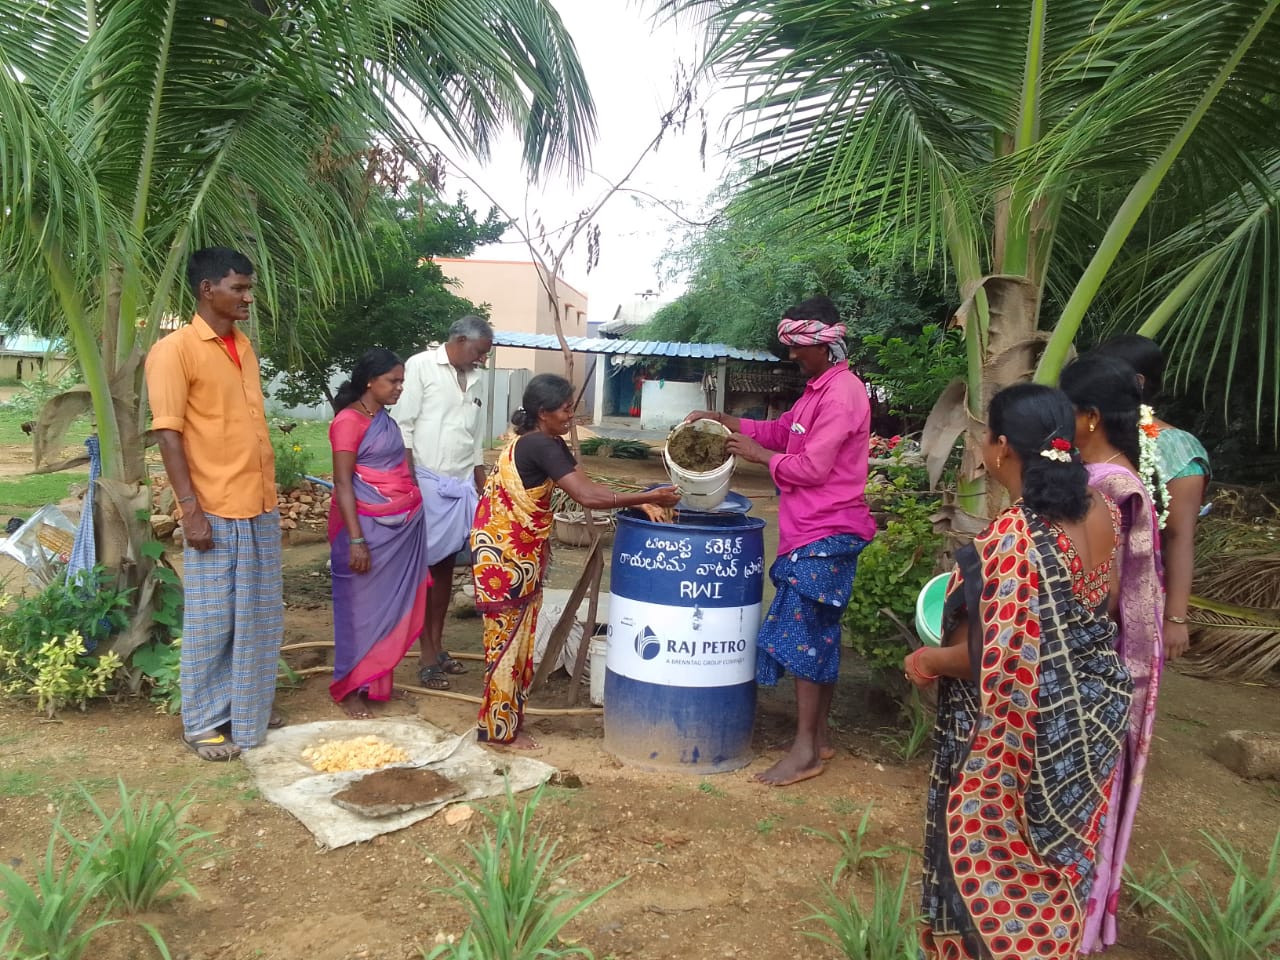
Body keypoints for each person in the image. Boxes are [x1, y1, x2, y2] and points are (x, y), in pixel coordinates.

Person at [904, 383, 1133, 960]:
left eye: (986, 435)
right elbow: (1096, 609)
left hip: (1021, 741)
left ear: (1002, 447)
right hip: (1086, 725)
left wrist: (928, 659)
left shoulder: (1013, 539)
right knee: (1057, 868)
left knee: (998, 866)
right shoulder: (1101, 510)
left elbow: (992, 657)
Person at [686, 295, 875, 787]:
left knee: (802, 637)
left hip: (825, 531)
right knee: (820, 635)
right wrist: (727, 421)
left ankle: (804, 751)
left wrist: (756, 455)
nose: (791, 355)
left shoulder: (841, 395)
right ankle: (819, 739)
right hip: (812, 530)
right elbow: (780, 431)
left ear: (824, 345)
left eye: (797, 347)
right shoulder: (818, 391)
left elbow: (811, 467)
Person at [471, 374, 681, 750]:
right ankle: (498, 732)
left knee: (519, 640)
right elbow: (586, 496)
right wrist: (642, 498)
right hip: (505, 559)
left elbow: (588, 486)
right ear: (543, 412)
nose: (572, 416)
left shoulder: (546, 442)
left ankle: (507, 721)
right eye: (566, 409)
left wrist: (640, 499)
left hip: (517, 552)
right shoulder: (538, 445)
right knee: (506, 644)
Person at [145, 247, 283, 761]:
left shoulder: (243, 347)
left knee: (260, 617)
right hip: (215, 508)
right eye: (238, 288)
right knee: (212, 620)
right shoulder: (174, 351)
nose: (248, 297)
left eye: (249, 288)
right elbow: (168, 435)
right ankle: (202, 722)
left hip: (259, 503)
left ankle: (246, 709)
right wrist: (190, 510)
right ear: (207, 290)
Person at [1060, 353, 1166, 954]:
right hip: (1120, 657)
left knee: (1083, 784)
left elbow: (1094, 588)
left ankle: (1070, 917)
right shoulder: (1120, 476)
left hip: (1098, 661)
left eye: (1067, 410)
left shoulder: (1105, 486)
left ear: (1092, 417)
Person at [391, 315, 494, 691]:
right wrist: (409, 485)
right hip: (426, 483)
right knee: (425, 572)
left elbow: (475, 441)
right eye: (479, 351)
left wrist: (483, 487)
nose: (482, 359)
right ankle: (426, 654)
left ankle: (436, 646)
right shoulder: (421, 366)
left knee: (446, 569)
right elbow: (403, 427)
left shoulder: (477, 377)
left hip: (460, 486)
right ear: (460, 340)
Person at [328, 349, 431, 718]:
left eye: (402, 380)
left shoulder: (386, 420)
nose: (400, 387)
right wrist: (357, 540)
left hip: (397, 532)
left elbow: (400, 471)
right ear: (370, 381)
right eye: (393, 380)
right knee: (359, 611)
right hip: (364, 530)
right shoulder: (348, 421)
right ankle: (348, 688)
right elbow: (343, 483)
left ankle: (374, 680)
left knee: (386, 608)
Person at [1097, 334, 1209, 660]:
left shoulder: (1178, 450)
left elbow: (1179, 536)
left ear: (1138, 381)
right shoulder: (1086, 431)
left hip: (1138, 595)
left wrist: (1175, 617)